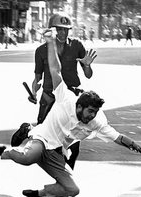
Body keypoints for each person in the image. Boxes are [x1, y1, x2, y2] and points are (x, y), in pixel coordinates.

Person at [0, 28, 141, 197]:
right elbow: (55, 70)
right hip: (42, 141)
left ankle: (38, 194)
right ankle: (4, 150)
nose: (92, 116)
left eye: (95, 112)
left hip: (57, 151)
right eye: (90, 112)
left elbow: (119, 138)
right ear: (79, 107)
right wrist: (50, 42)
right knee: (28, 157)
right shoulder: (66, 99)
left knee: (73, 190)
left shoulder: (97, 121)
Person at [12, 12, 96, 171]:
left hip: (72, 98)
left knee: (74, 142)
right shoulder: (41, 51)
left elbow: (88, 75)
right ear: (52, 30)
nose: (63, 33)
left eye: (66, 30)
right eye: (59, 29)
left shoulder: (77, 46)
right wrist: (34, 92)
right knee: (42, 135)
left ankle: (68, 174)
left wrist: (87, 65)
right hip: (50, 95)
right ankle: (27, 129)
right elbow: (37, 78)